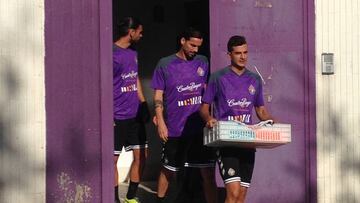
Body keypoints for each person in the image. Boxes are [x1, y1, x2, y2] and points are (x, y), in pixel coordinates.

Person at [200, 35, 274, 203]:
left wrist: (270, 120)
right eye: (238, 53)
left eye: (245, 52)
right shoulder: (218, 77)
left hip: (247, 142)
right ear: (229, 54)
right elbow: (204, 108)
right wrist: (209, 118)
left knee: (241, 196)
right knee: (232, 193)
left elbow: (261, 110)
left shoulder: (254, 79)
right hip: (226, 142)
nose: (243, 57)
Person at [151, 27, 217, 203]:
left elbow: (208, 91)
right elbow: (158, 95)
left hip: (199, 129)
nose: (195, 50)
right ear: (182, 41)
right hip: (175, 129)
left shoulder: (203, 62)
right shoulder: (164, 64)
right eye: (192, 45)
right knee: (169, 170)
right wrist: (161, 122)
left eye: (198, 47)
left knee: (208, 174)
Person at [113, 17, 150, 203]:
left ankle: (131, 197)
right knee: (114, 160)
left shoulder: (133, 52)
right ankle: (114, 199)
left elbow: (134, 77)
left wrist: (143, 103)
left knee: (142, 155)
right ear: (131, 32)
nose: (141, 35)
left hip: (135, 114)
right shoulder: (111, 53)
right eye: (140, 32)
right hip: (117, 116)